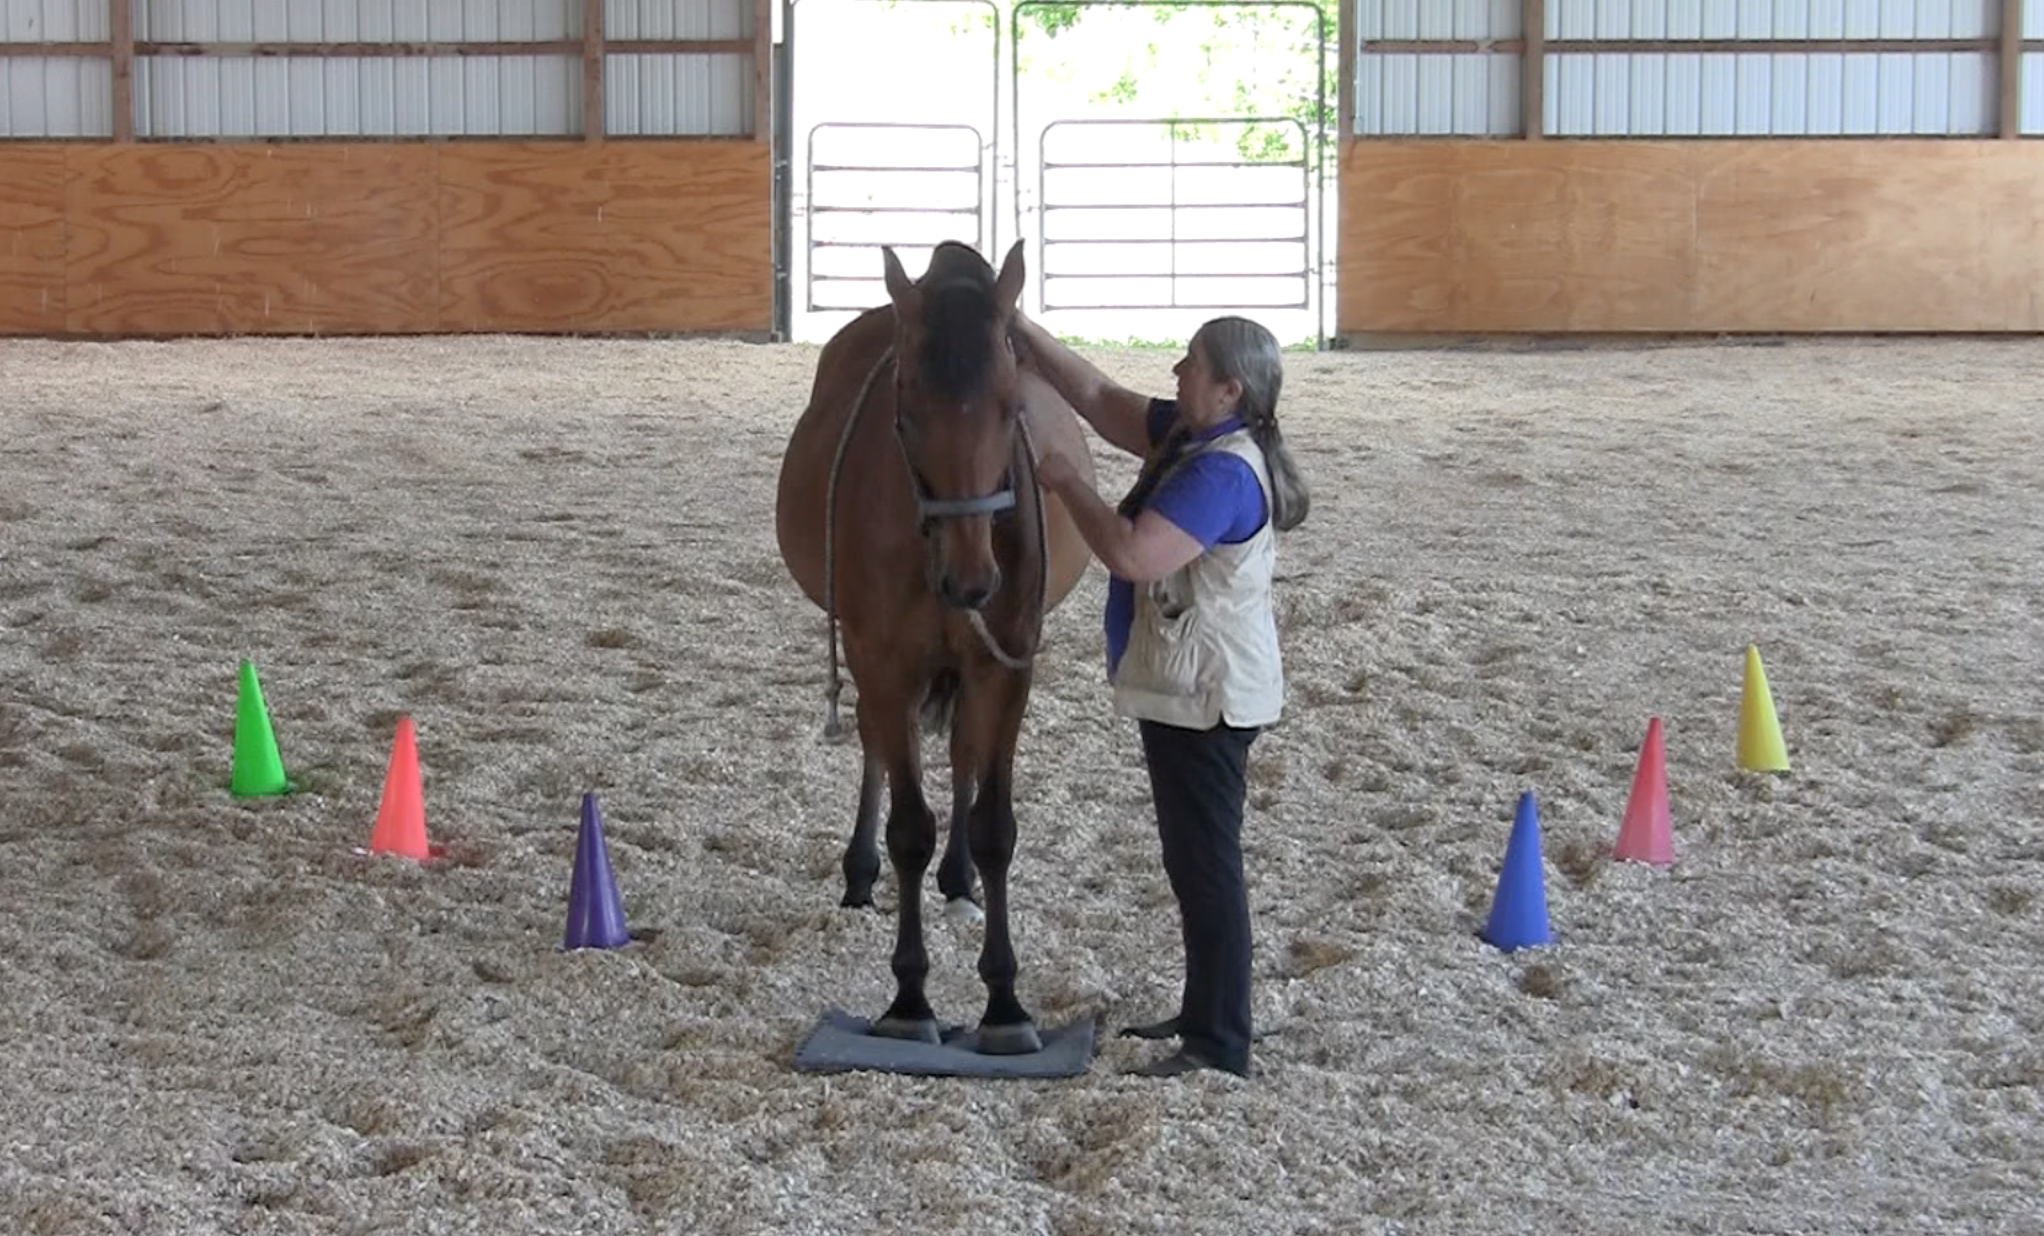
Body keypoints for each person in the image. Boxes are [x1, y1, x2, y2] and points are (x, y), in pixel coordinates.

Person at [1012, 313, 1311, 1078]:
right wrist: (1019, 327)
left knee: (1207, 864)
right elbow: (1098, 395)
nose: (1176, 371)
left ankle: (1219, 1041)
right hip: (1192, 684)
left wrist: (1068, 482)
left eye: (1191, 364)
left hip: (1208, 694)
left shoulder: (1222, 473)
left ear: (1228, 388)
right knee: (1193, 859)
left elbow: (1131, 553)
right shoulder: (1196, 433)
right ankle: (1206, 1010)